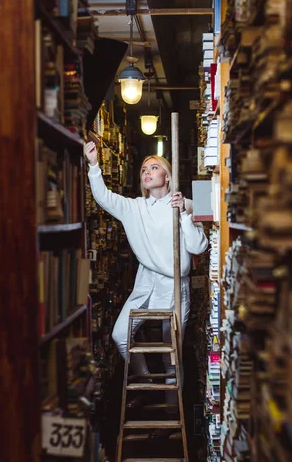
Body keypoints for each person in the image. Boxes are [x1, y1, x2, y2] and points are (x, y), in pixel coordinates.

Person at [84, 141, 208, 433]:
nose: (147, 172)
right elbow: (103, 197)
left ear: (166, 176)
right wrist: (93, 165)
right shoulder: (135, 208)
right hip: (145, 284)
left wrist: (186, 213)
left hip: (174, 286)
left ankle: (170, 419)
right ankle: (146, 384)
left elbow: (199, 246)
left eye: (154, 167)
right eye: (143, 169)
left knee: (171, 357)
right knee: (119, 335)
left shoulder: (179, 205)